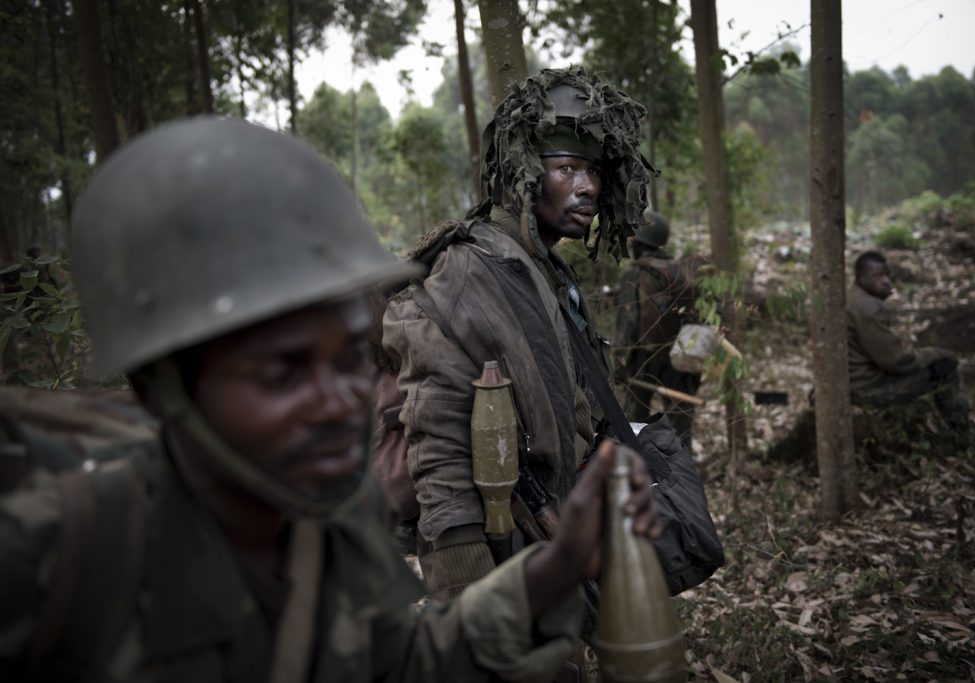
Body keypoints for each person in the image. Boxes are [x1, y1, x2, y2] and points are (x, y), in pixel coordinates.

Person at [0, 117, 662, 682]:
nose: (340, 401)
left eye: (351, 357)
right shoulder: (48, 557)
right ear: (159, 386)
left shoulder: (330, 521)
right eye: (282, 373)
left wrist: (555, 568)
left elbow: (391, 662)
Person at [383, 67, 668, 601]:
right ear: (523, 172)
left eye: (594, 172)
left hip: (551, 537)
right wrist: (466, 577)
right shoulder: (471, 271)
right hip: (491, 551)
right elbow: (437, 432)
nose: (586, 187)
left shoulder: (542, 267)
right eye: (567, 169)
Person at [847, 250, 970, 433]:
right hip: (867, 389)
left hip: (851, 382)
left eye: (886, 274)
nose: (886, 281)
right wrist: (929, 355)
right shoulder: (869, 308)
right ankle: (961, 434)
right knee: (945, 365)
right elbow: (898, 362)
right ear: (860, 277)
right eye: (877, 276)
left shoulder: (851, 296)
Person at [614, 211, 704, 449]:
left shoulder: (635, 272)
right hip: (681, 358)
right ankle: (682, 477)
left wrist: (618, 361)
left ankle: (637, 471)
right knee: (680, 430)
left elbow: (628, 322)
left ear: (640, 243)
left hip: (644, 358)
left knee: (633, 425)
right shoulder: (682, 271)